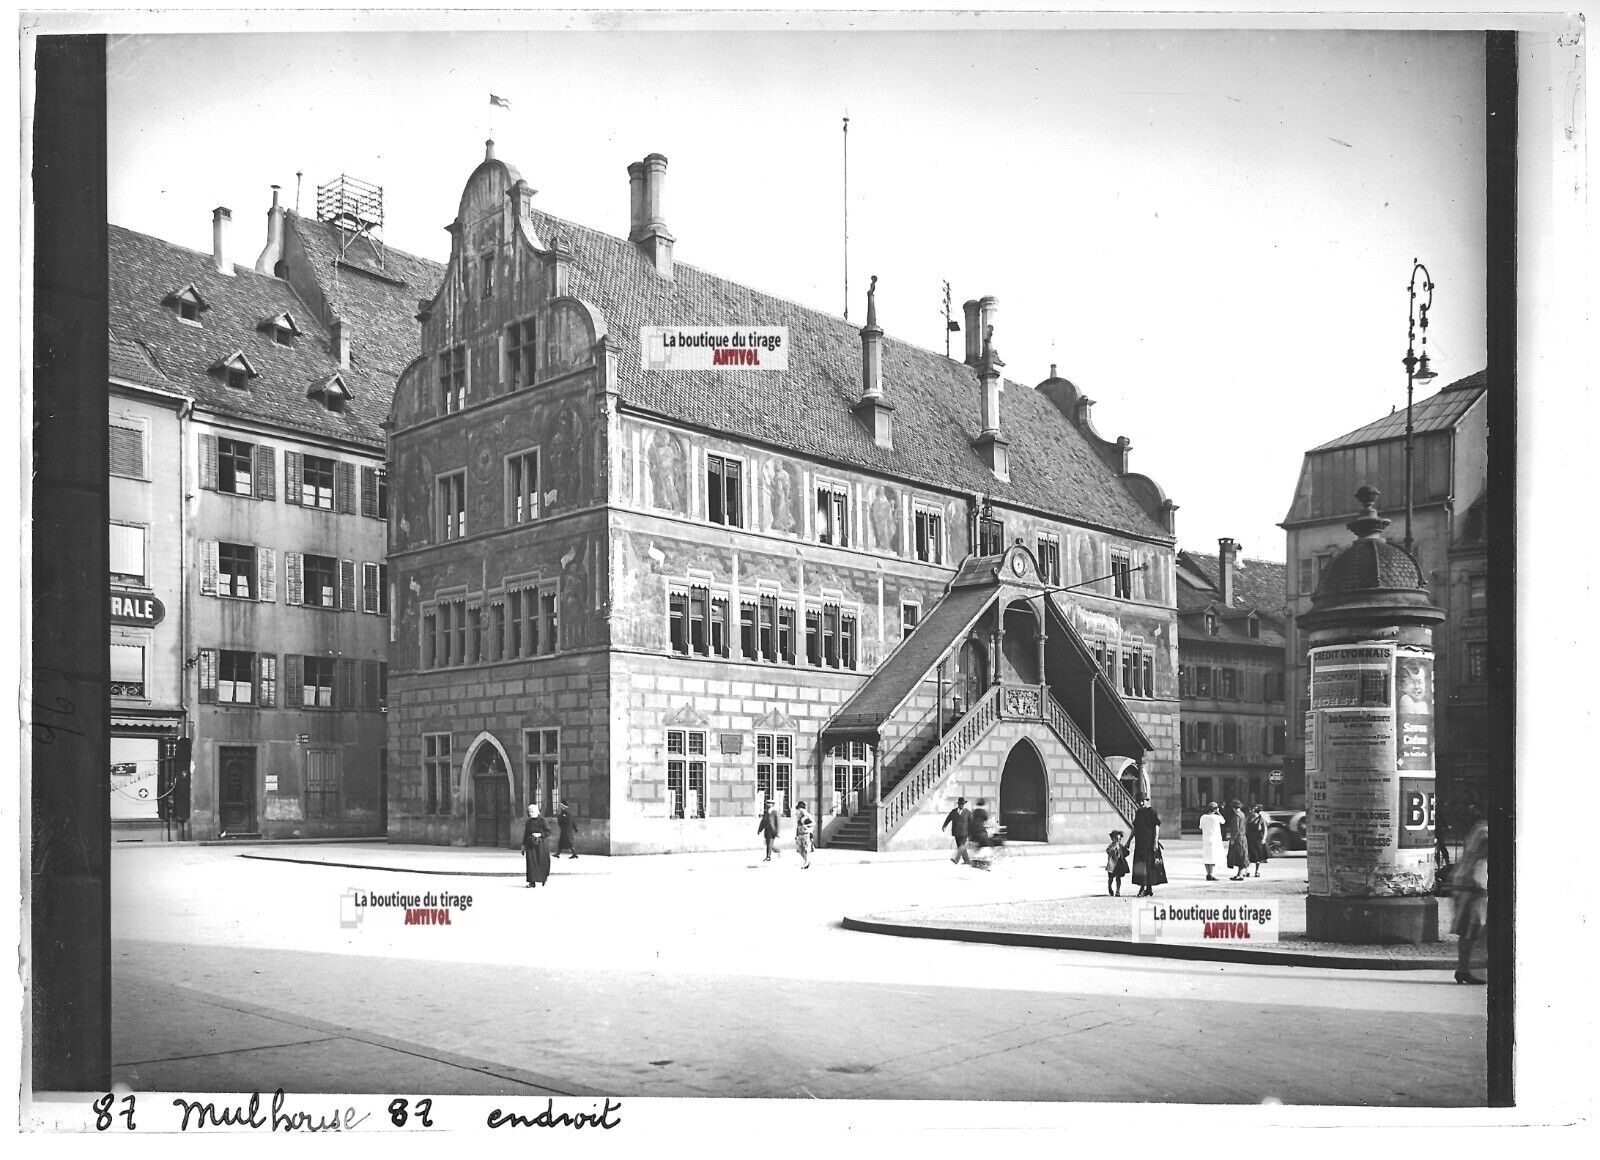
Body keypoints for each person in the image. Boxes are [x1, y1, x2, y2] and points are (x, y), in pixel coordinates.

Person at [1452, 812, 1488, 985]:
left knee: (1469, 929)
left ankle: (1464, 969)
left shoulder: (1480, 828)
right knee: (1471, 928)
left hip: (1469, 882)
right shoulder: (1486, 831)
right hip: (1473, 883)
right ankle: (1464, 969)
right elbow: (1481, 853)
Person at [1126, 797, 1164, 897]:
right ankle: (1146, 888)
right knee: (1141, 865)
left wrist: (1155, 842)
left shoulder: (1151, 811)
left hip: (1149, 843)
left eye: (1143, 801)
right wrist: (1129, 841)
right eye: (1139, 801)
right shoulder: (1138, 812)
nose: (1141, 803)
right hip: (1140, 843)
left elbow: (1156, 826)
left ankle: (1145, 888)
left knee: (1149, 865)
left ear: (1147, 801)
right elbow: (1135, 828)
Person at [520, 803, 551, 888]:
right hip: (530, 844)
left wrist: (539, 834)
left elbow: (548, 832)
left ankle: (543, 879)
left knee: (542, 862)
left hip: (542, 845)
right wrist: (523, 846)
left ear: (537, 811)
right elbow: (526, 834)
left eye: (532, 811)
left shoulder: (542, 820)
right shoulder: (528, 822)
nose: (530, 813)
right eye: (529, 812)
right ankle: (532, 882)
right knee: (531, 863)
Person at [1198, 802, 1225, 880]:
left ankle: (1208, 874)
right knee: (1213, 857)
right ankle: (1212, 874)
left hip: (1206, 838)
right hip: (1215, 839)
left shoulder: (1203, 817)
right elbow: (1223, 821)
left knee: (1206, 856)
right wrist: (1219, 812)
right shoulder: (1217, 817)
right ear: (1215, 809)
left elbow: (1200, 826)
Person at [942, 796, 971, 864]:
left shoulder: (968, 813)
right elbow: (948, 819)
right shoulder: (953, 812)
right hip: (956, 832)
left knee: (961, 846)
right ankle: (967, 860)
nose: (962, 805)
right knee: (960, 847)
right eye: (961, 804)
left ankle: (956, 859)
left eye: (963, 804)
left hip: (964, 833)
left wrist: (971, 834)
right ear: (958, 804)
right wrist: (944, 826)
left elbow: (971, 823)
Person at [1226, 799, 1250, 880]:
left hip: (1238, 839)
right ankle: (1240, 874)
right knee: (1242, 855)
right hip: (1243, 837)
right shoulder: (1242, 814)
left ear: (1233, 807)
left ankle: (1240, 875)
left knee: (1239, 856)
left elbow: (1236, 829)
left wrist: (1232, 839)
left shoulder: (1236, 816)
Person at [1246, 804, 1270, 877]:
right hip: (1249, 839)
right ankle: (1247, 871)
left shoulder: (1261, 819)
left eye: (1252, 810)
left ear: (1256, 811)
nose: (1250, 811)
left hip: (1258, 839)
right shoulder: (1248, 818)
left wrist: (1264, 839)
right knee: (1248, 856)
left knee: (1258, 856)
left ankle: (1257, 871)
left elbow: (1265, 829)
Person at [968, 798, 992, 870]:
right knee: (986, 846)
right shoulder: (983, 812)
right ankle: (983, 862)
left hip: (973, 833)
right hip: (981, 832)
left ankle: (976, 861)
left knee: (977, 847)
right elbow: (987, 822)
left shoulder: (973, 812)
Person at [1105, 830, 1130, 896]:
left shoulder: (1121, 846)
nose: (1118, 840)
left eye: (1119, 839)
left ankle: (1117, 891)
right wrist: (1113, 850)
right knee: (1110, 878)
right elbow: (1108, 851)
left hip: (1119, 864)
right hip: (1112, 864)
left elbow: (1127, 853)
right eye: (1116, 839)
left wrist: (1125, 850)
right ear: (1112, 839)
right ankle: (1110, 887)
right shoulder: (1111, 846)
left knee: (1118, 878)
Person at [757, 797, 781, 861]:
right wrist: (759, 830)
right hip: (767, 830)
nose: (768, 804)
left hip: (772, 831)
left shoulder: (775, 812)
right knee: (768, 844)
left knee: (769, 844)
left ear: (773, 804)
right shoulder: (766, 812)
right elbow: (763, 822)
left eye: (770, 803)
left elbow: (778, 822)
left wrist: (777, 832)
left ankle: (768, 857)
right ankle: (777, 850)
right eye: (767, 803)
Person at [794, 801, 815, 869]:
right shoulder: (799, 816)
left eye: (800, 809)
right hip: (799, 834)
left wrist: (806, 826)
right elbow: (798, 825)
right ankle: (806, 861)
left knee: (805, 849)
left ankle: (806, 862)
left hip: (805, 834)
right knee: (799, 849)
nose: (800, 810)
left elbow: (813, 823)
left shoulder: (807, 815)